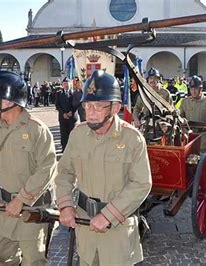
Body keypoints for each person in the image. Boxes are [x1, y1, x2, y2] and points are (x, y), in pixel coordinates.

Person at [55, 70, 152, 265]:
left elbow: (141, 184)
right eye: (87, 105)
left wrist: (107, 215)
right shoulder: (78, 135)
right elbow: (64, 172)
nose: (90, 112)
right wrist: (65, 205)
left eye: (98, 106)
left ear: (115, 108)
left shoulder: (132, 139)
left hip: (117, 230)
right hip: (85, 228)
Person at [0, 70, 56, 265]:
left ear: (8, 102)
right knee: (0, 254)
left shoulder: (37, 130)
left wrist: (21, 199)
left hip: (32, 210)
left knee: (33, 261)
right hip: (3, 208)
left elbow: (47, 168)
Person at [179, 76, 206, 153]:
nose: (193, 91)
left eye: (196, 89)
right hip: (189, 138)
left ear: (201, 89)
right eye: (191, 89)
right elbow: (180, 116)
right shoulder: (185, 102)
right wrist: (182, 121)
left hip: (203, 138)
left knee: (203, 161)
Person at [55, 78, 77, 151]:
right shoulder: (59, 93)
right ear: (62, 85)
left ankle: (72, 148)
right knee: (63, 133)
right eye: (64, 84)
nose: (66, 85)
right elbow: (57, 105)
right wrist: (63, 113)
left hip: (72, 117)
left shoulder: (74, 93)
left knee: (72, 133)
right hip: (63, 117)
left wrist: (72, 111)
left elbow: (76, 104)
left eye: (67, 84)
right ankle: (64, 147)